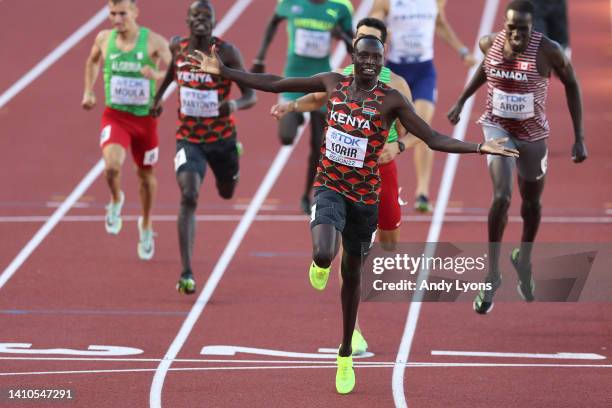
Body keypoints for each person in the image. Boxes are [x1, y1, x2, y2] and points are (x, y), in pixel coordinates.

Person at [187, 35, 517, 394]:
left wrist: (479, 147)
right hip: (330, 185)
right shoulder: (334, 82)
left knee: (354, 277)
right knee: (324, 251)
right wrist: (227, 72)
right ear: (354, 58)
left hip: (364, 198)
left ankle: (344, 352)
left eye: (376, 57)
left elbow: (433, 136)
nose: (370, 63)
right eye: (364, 56)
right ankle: (320, 262)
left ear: (382, 60)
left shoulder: (392, 100)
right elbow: (278, 83)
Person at [269, 17, 418, 356]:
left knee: (390, 244)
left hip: (384, 171)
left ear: (383, 47)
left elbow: (420, 130)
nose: (367, 51)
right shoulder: (342, 78)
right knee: (352, 255)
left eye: (374, 43)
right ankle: (354, 332)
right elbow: (316, 99)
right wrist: (291, 105)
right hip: (343, 176)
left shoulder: (396, 85)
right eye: (361, 41)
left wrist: (399, 145)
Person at [447, 0, 587, 314]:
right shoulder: (490, 42)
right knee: (501, 197)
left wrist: (580, 138)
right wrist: (461, 101)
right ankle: (492, 273)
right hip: (497, 129)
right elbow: (486, 69)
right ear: (505, 25)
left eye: (522, 29)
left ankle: (523, 258)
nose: (515, 35)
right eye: (511, 28)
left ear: (531, 28)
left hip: (533, 134)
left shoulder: (548, 50)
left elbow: (573, 84)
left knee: (532, 204)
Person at [150, 1, 256, 294]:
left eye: (206, 16)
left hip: (222, 140)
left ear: (213, 22)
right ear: (187, 20)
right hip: (189, 138)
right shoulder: (177, 46)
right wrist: (158, 98)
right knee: (189, 194)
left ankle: (235, 158)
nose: (200, 20)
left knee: (226, 192)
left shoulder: (225, 52)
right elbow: (173, 71)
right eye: (195, 15)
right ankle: (186, 271)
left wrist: (232, 104)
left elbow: (250, 95)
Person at [82, 0, 171, 260]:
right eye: (112, 14)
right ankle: (116, 199)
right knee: (111, 167)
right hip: (115, 117)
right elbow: (92, 62)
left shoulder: (154, 41)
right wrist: (88, 91)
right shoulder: (103, 38)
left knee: (145, 176)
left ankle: (145, 223)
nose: (117, 19)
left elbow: (176, 70)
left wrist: (155, 74)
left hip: (145, 121)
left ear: (134, 13)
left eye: (122, 13)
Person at [370, 0, 477, 212]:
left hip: (423, 72)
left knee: (421, 125)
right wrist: (379, 35)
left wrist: (462, 51)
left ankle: (422, 191)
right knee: (387, 129)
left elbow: (440, 24)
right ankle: (374, 180)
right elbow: (373, 24)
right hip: (396, 72)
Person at [251, 0, 354, 215]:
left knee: (318, 145)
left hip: (321, 82)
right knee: (287, 136)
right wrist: (260, 57)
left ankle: (307, 196)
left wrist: (341, 34)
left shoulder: (341, 8)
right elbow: (273, 22)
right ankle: (297, 115)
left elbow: (354, 48)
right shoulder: (290, 3)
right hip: (294, 80)